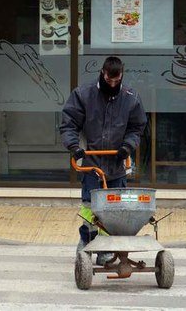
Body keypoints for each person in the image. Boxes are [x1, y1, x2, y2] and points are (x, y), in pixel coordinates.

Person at [59, 56, 147, 265]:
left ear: (121, 75)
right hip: (92, 162)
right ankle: (87, 241)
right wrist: (74, 147)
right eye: (110, 80)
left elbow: (137, 127)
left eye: (117, 81)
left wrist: (127, 146)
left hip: (116, 163)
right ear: (103, 73)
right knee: (90, 205)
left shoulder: (131, 97)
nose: (113, 85)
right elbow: (69, 123)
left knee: (114, 209)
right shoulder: (84, 94)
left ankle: (106, 248)